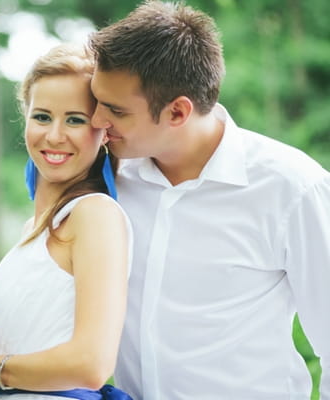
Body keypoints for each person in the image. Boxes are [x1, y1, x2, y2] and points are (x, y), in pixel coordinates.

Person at [88, 1, 330, 399]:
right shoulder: (109, 178)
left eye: (115, 110)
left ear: (178, 112)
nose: (97, 121)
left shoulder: (294, 188)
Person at [0, 44, 134, 399]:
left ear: (103, 133)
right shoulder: (31, 233)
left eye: (75, 119)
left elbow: (91, 364)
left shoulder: (94, 215)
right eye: (42, 116)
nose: (54, 135)